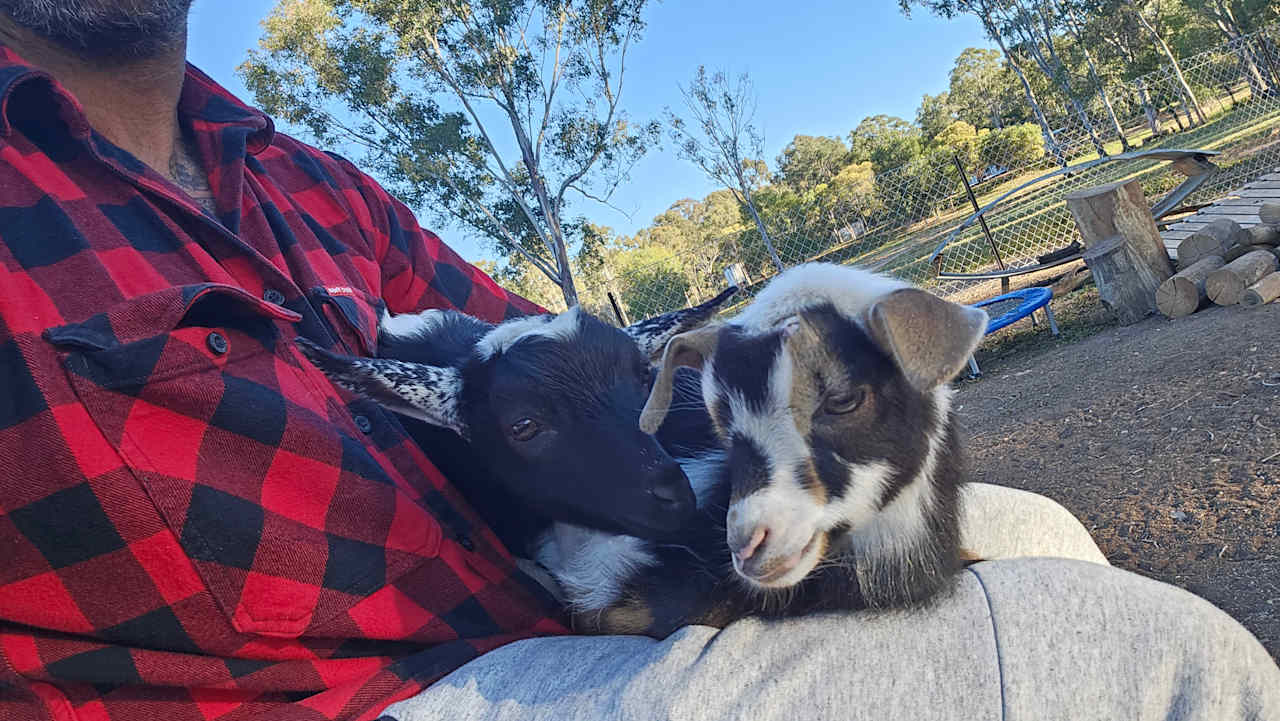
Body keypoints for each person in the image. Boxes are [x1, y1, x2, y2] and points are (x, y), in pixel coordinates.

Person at [0, 4, 1275, 721]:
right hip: (360, 698)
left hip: (547, 595)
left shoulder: (291, 173)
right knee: (1149, 656)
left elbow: (569, 362)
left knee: (1030, 528)